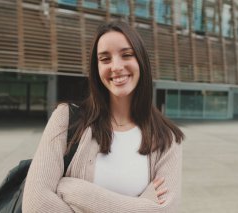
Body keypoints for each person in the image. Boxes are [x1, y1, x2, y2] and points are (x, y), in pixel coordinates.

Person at [23, 20, 184, 212]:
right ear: (96, 68)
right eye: (105, 59)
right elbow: (36, 206)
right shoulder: (66, 119)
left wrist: (74, 191)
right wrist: (141, 206)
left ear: (141, 61)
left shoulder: (168, 138)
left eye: (126, 55)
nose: (116, 66)